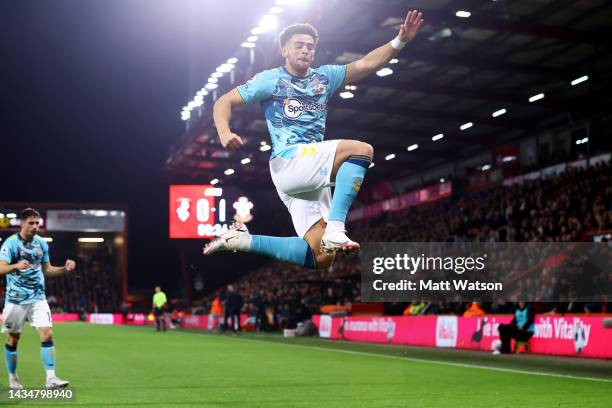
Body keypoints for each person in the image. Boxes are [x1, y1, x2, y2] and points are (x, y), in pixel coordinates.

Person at [204, 11, 424, 269]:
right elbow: (224, 101)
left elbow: (366, 64)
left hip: (309, 174)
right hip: (289, 162)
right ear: (284, 49)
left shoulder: (324, 77)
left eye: (310, 46)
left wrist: (400, 40)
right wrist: (224, 132)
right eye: (299, 45)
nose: (306, 50)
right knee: (361, 150)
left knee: (322, 256)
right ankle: (336, 227)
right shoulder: (271, 79)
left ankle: (243, 241)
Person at [0, 208, 75, 389]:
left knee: (47, 334)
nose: (35, 227)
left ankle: (51, 378)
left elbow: (47, 269)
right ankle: (13, 378)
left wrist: (64, 269)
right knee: (13, 338)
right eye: (31, 223)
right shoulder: (10, 244)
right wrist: (16, 266)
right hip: (16, 299)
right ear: (22, 223)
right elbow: (1, 268)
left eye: (37, 223)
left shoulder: (41, 244)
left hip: (38, 298)